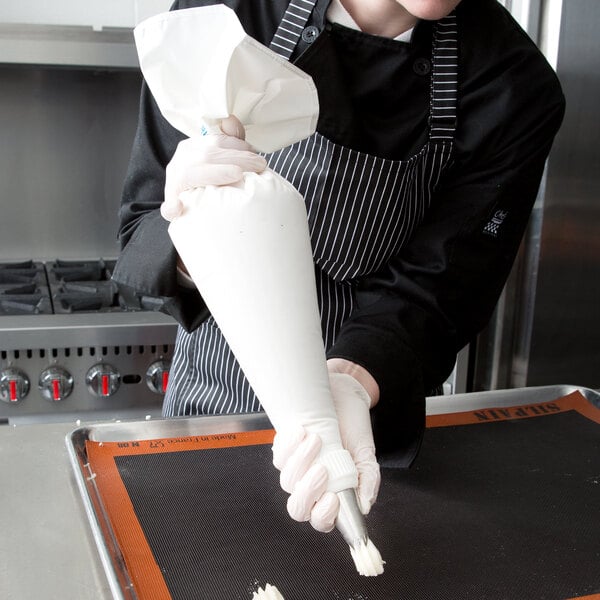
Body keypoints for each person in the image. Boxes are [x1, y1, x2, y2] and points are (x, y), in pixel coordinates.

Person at [113, 0, 564, 534]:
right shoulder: (226, 14)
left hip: (360, 432)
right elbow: (139, 236)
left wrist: (349, 384)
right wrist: (197, 227)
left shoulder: (510, 84)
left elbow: (437, 292)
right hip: (215, 414)